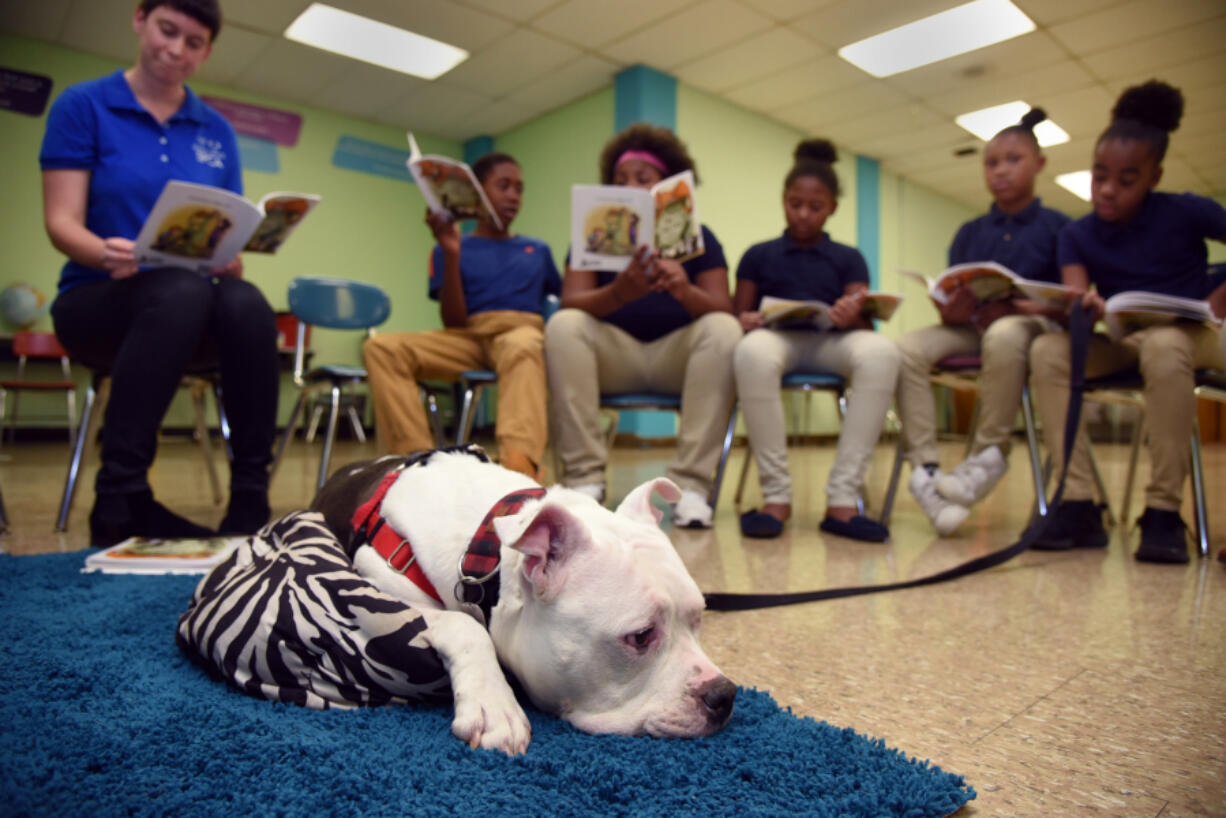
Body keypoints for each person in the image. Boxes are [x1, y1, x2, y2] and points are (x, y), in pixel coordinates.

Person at [41, 0, 279, 548]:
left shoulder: (216, 130)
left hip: (188, 307)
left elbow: (223, 225)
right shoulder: (84, 105)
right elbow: (61, 221)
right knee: (178, 291)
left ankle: (250, 498)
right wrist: (104, 252)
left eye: (193, 42)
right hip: (98, 299)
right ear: (139, 20)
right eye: (167, 31)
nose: (175, 50)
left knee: (244, 299)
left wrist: (230, 256)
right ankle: (120, 498)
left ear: (208, 51)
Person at [1029, 79, 1226, 564]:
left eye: (1127, 178)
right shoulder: (1077, 234)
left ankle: (1162, 511)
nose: (1108, 190)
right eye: (1100, 175)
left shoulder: (1187, 211)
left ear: (1154, 176)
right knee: (1047, 352)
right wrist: (1085, 307)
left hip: (1191, 337)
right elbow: (1076, 295)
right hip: (1125, 339)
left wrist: (1219, 299)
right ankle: (1077, 501)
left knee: (1163, 345)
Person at [545, 123, 741, 527]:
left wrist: (684, 289)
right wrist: (619, 292)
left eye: (642, 179)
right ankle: (584, 480)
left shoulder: (701, 238)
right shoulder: (593, 237)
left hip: (678, 362)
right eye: (620, 180)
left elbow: (723, 307)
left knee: (724, 329)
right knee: (564, 324)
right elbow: (571, 300)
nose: (629, 186)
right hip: (614, 360)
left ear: (668, 185)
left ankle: (691, 487)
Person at [894, 109, 1071, 535]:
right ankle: (928, 474)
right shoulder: (968, 232)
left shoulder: (1062, 228)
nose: (1001, 171)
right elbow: (956, 298)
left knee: (1005, 333)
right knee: (905, 349)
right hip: (973, 328)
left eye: (1013, 159)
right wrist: (950, 310)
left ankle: (986, 456)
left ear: (1039, 164)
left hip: (1030, 331)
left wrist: (1025, 310)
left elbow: (1070, 303)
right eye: (992, 162)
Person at [733, 139, 900, 541]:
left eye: (815, 207)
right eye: (795, 204)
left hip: (831, 344)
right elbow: (736, 316)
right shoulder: (758, 255)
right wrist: (748, 318)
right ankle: (776, 497)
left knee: (881, 353)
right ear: (784, 201)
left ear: (832, 208)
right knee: (751, 351)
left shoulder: (849, 258)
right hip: (776, 341)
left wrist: (853, 315)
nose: (804, 214)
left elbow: (866, 327)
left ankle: (843, 500)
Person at [363, 152, 561, 481]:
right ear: (478, 191)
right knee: (381, 348)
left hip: (520, 332)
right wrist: (452, 254)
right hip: (468, 337)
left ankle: (518, 469)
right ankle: (416, 469)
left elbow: (561, 303)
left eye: (519, 188)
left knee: (524, 344)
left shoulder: (537, 250)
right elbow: (453, 321)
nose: (513, 195)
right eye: (503, 186)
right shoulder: (450, 246)